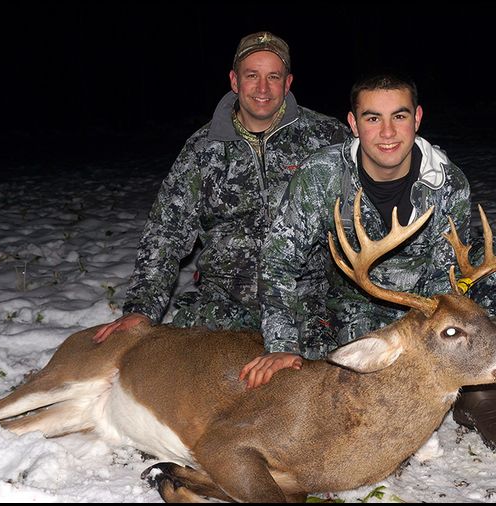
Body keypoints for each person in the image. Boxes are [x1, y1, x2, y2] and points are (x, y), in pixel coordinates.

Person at [240, 73, 496, 453]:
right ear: (353, 124)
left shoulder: (446, 182)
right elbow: (279, 262)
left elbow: (446, 277)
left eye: (399, 117)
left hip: (424, 301)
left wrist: (433, 331)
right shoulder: (322, 175)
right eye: (372, 118)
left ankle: (481, 399)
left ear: (417, 118)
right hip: (347, 297)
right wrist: (281, 344)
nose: (387, 132)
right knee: (342, 370)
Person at [92, 31, 349, 343]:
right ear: (234, 80)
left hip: (306, 305)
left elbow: (369, 206)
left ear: (288, 82)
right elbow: (166, 232)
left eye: (274, 76)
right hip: (225, 307)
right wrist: (142, 308)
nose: (263, 88)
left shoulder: (328, 138)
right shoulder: (203, 148)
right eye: (252, 75)